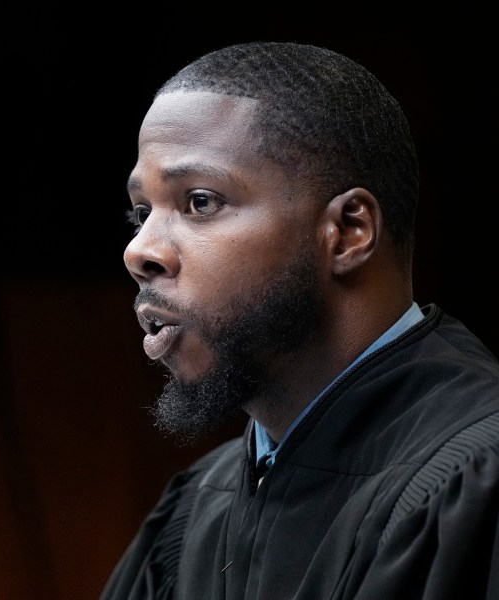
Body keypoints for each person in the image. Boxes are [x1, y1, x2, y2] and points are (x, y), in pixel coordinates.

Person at [100, 41, 499, 600]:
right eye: (141, 212)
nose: (139, 250)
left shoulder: (476, 482)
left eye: (200, 202)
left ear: (349, 231)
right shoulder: (195, 515)